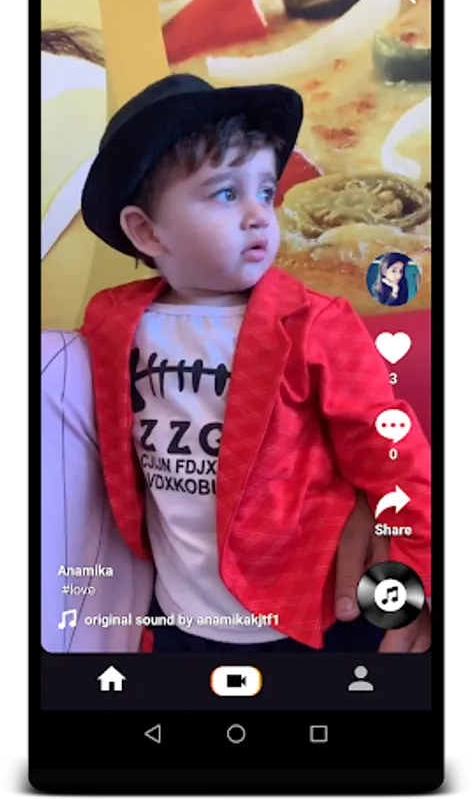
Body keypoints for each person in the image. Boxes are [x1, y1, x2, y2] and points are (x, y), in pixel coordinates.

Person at [79, 73, 431, 653]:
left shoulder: (316, 323)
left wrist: (417, 574)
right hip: (178, 614)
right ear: (146, 231)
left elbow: (391, 448)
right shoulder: (110, 323)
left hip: (315, 610)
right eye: (225, 193)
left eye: (265, 192)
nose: (259, 215)